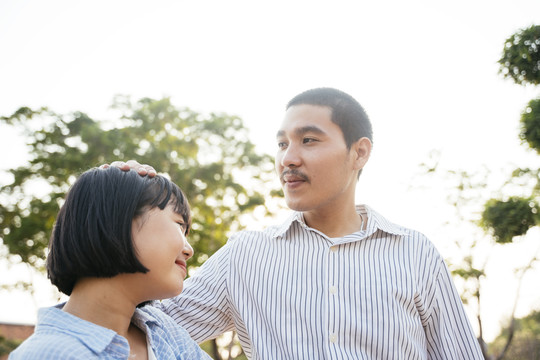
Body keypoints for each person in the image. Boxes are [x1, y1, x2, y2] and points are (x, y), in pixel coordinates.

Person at [110, 88, 484, 359]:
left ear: (359, 152)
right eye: (281, 144)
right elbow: (127, 322)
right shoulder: (246, 256)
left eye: (308, 140)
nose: (289, 158)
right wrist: (115, 202)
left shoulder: (415, 253)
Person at [10, 167, 211, 359]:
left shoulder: (163, 332)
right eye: (179, 225)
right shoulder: (47, 354)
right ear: (118, 218)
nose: (188, 250)